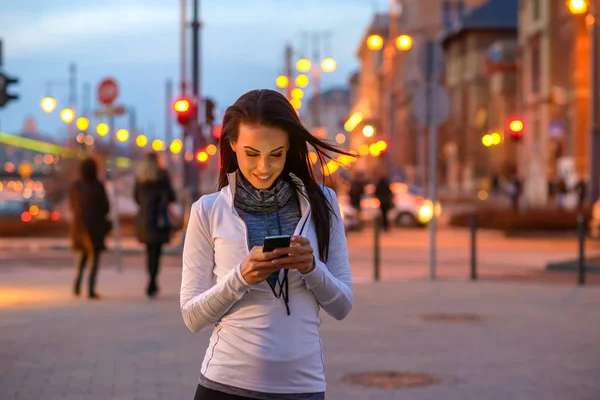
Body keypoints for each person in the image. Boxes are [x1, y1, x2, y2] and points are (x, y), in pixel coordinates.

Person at [180, 89, 354, 400]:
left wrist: (312, 268)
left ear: (289, 148)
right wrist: (240, 278)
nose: (263, 167)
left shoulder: (323, 204)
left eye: (276, 154)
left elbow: (342, 306)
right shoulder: (208, 211)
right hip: (224, 384)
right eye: (251, 153)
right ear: (232, 145)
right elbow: (192, 317)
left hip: (303, 387)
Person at [134, 153, 176, 298]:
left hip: (145, 218)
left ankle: (151, 281)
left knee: (149, 251)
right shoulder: (162, 175)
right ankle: (152, 281)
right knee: (156, 253)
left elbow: (136, 197)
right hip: (159, 219)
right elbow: (172, 196)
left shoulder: (141, 177)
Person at [69, 157, 110, 299]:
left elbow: (72, 205)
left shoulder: (76, 185)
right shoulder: (98, 186)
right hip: (96, 227)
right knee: (94, 258)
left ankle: (77, 284)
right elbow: (106, 207)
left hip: (79, 226)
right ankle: (91, 289)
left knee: (82, 256)